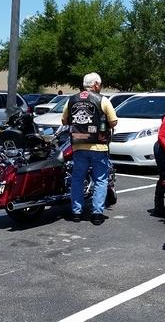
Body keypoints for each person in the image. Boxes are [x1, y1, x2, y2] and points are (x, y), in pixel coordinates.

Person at [62, 72, 118, 225]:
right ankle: (97, 214)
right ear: (96, 85)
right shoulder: (103, 100)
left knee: (77, 179)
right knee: (100, 179)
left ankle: (76, 212)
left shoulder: (72, 99)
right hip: (98, 145)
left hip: (78, 145)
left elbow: (64, 120)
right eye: (99, 84)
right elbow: (113, 122)